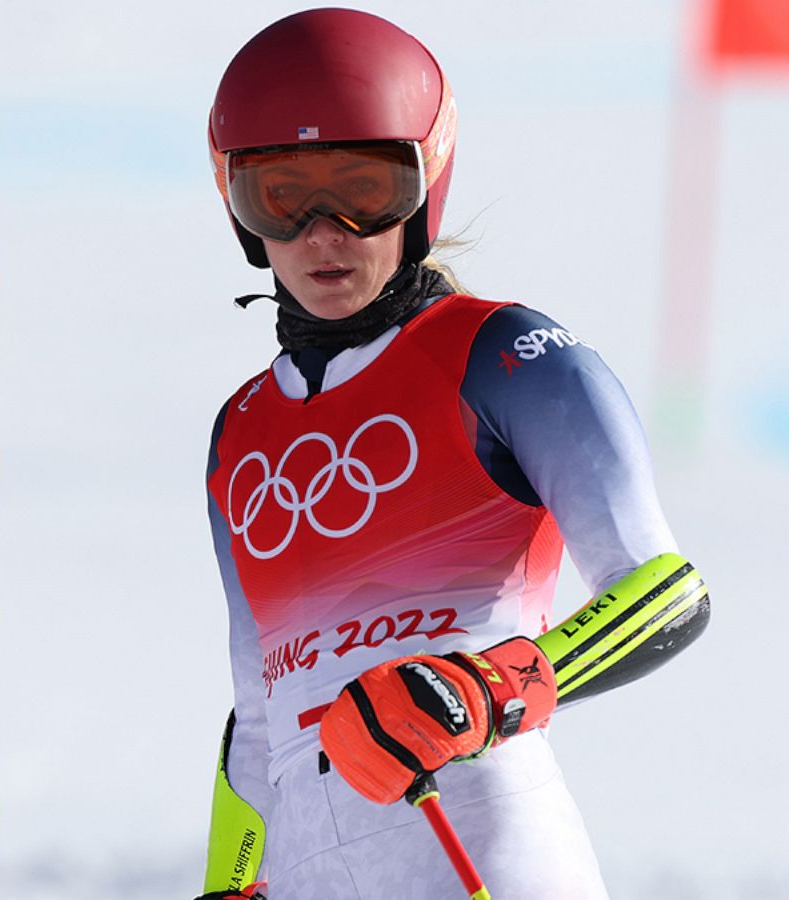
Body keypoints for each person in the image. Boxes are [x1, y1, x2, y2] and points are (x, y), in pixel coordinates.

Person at [193, 9, 709, 899]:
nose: (324, 232)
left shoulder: (507, 356)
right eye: (281, 195)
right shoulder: (239, 427)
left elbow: (664, 592)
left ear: (425, 182)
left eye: (364, 189)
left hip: (478, 836)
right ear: (237, 203)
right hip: (313, 867)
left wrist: (485, 688)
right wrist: (227, 882)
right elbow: (260, 721)